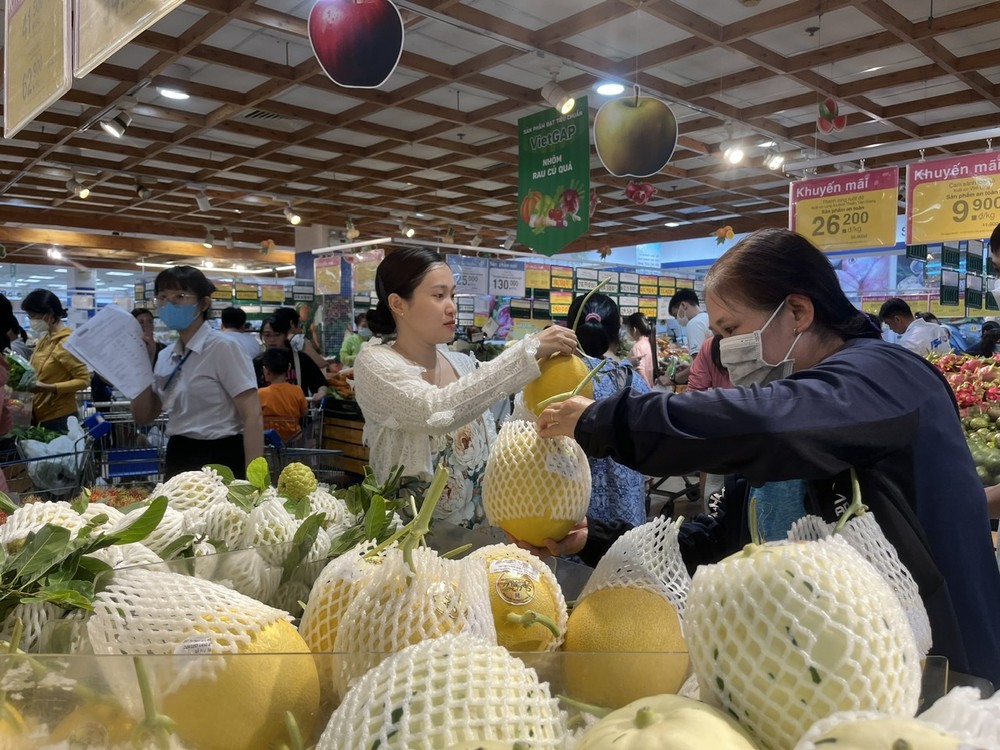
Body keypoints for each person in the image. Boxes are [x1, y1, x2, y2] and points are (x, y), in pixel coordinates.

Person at [537, 228, 1000, 686]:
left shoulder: (886, 378)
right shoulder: (789, 409)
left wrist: (606, 420)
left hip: (942, 676)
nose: (725, 351)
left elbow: (769, 423)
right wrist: (594, 539)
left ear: (797, 312)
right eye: (717, 335)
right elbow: (720, 543)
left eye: (731, 330)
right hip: (836, 680)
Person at [352, 246, 577, 529]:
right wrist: (526, 352)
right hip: (409, 543)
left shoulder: (462, 364)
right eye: (439, 295)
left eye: (452, 295)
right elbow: (436, 412)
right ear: (398, 304)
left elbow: (495, 441)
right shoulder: (375, 364)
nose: (451, 307)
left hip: (480, 538)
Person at [130, 266, 262, 480]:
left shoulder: (223, 348)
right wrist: (140, 364)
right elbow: (145, 415)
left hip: (222, 455)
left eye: (180, 296)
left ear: (203, 304)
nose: (169, 304)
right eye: (162, 297)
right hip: (179, 453)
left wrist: (255, 481)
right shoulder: (165, 356)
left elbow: (252, 415)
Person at [565, 294, 650, 566]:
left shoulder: (562, 376)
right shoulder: (634, 381)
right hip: (627, 519)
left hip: (575, 519)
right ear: (617, 331)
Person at [20, 289, 89, 433]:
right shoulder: (45, 339)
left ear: (49, 314)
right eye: (29, 316)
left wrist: (49, 387)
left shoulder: (67, 342)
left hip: (59, 418)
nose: (31, 320)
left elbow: (84, 380)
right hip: (40, 415)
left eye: (33, 316)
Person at [91, 308, 164, 404]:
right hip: (124, 402)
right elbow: (103, 380)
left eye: (150, 321)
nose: (146, 325)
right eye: (141, 322)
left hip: (155, 399)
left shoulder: (163, 350)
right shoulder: (121, 349)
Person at [254, 315, 328, 405]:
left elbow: (320, 383)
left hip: (297, 412)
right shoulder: (257, 363)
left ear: (285, 335)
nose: (272, 339)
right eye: (267, 335)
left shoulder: (301, 359)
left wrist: (321, 393)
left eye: (277, 334)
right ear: (262, 336)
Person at [258, 347, 308, 443]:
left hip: (269, 441)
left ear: (266, 371)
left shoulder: (260, 394)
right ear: (289, 368)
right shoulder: (297, 390)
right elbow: (304, 413)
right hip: (294, 440)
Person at [878, 298, 950, 356]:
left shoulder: (907, 343)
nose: (890, 328)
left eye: (888, 323)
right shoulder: (937, 328)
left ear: (897, 319)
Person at [273, 306, 328, 372]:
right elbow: (320, 364)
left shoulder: (276, 341)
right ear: (292, 323)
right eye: (299, 323)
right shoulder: (298, 340)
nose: (301, 327)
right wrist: (329, 365)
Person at [668, 288, 711, 356]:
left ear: (683, 305)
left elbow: (697, 358)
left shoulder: (694, 323)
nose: (677, 319)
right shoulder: (707, 317)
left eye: (676, 315)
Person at [624, 311, 659, 388]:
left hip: (642, 389)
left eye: (628, 329)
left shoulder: (638, 346)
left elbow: (640, 372)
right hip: (650, 386)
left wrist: (647, 390)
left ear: (634, 330)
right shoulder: (650, 343)